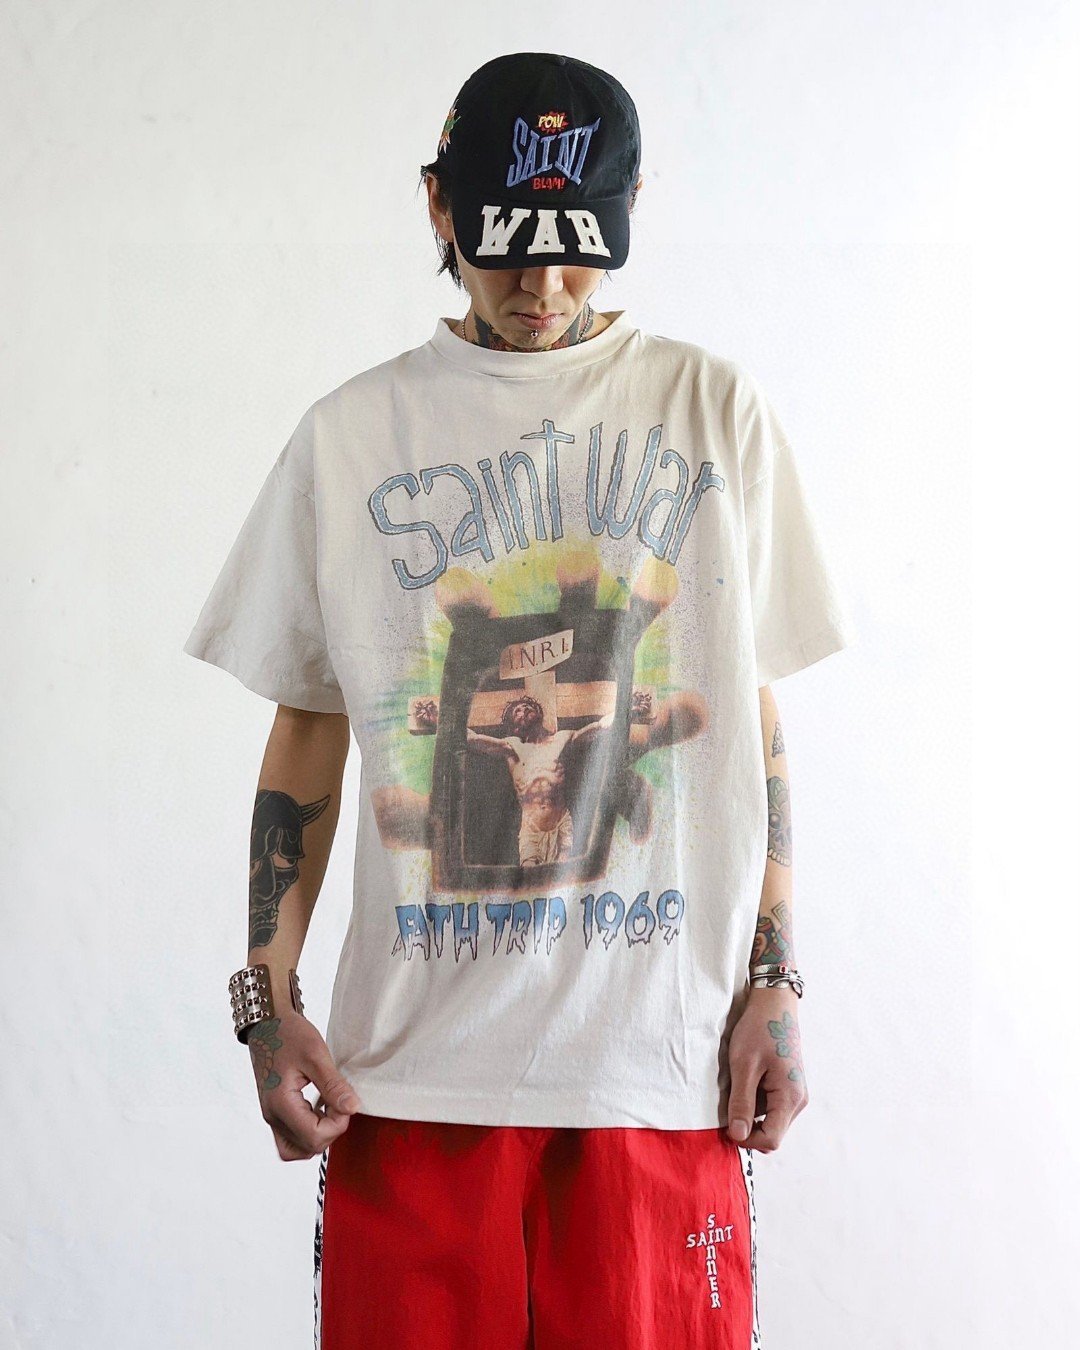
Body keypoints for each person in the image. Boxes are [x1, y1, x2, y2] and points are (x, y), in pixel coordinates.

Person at [184, 50, 856, 1350]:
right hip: (412, 1083)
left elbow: (752, 718)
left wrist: (777, 977)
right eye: (506, 248)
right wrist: (267, 996)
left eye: (577, 250)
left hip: (657, 1073)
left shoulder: (713, 411)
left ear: (629, 208)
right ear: (439, 205)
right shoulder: (351, 436)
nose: (543, 287)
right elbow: (309, 729)